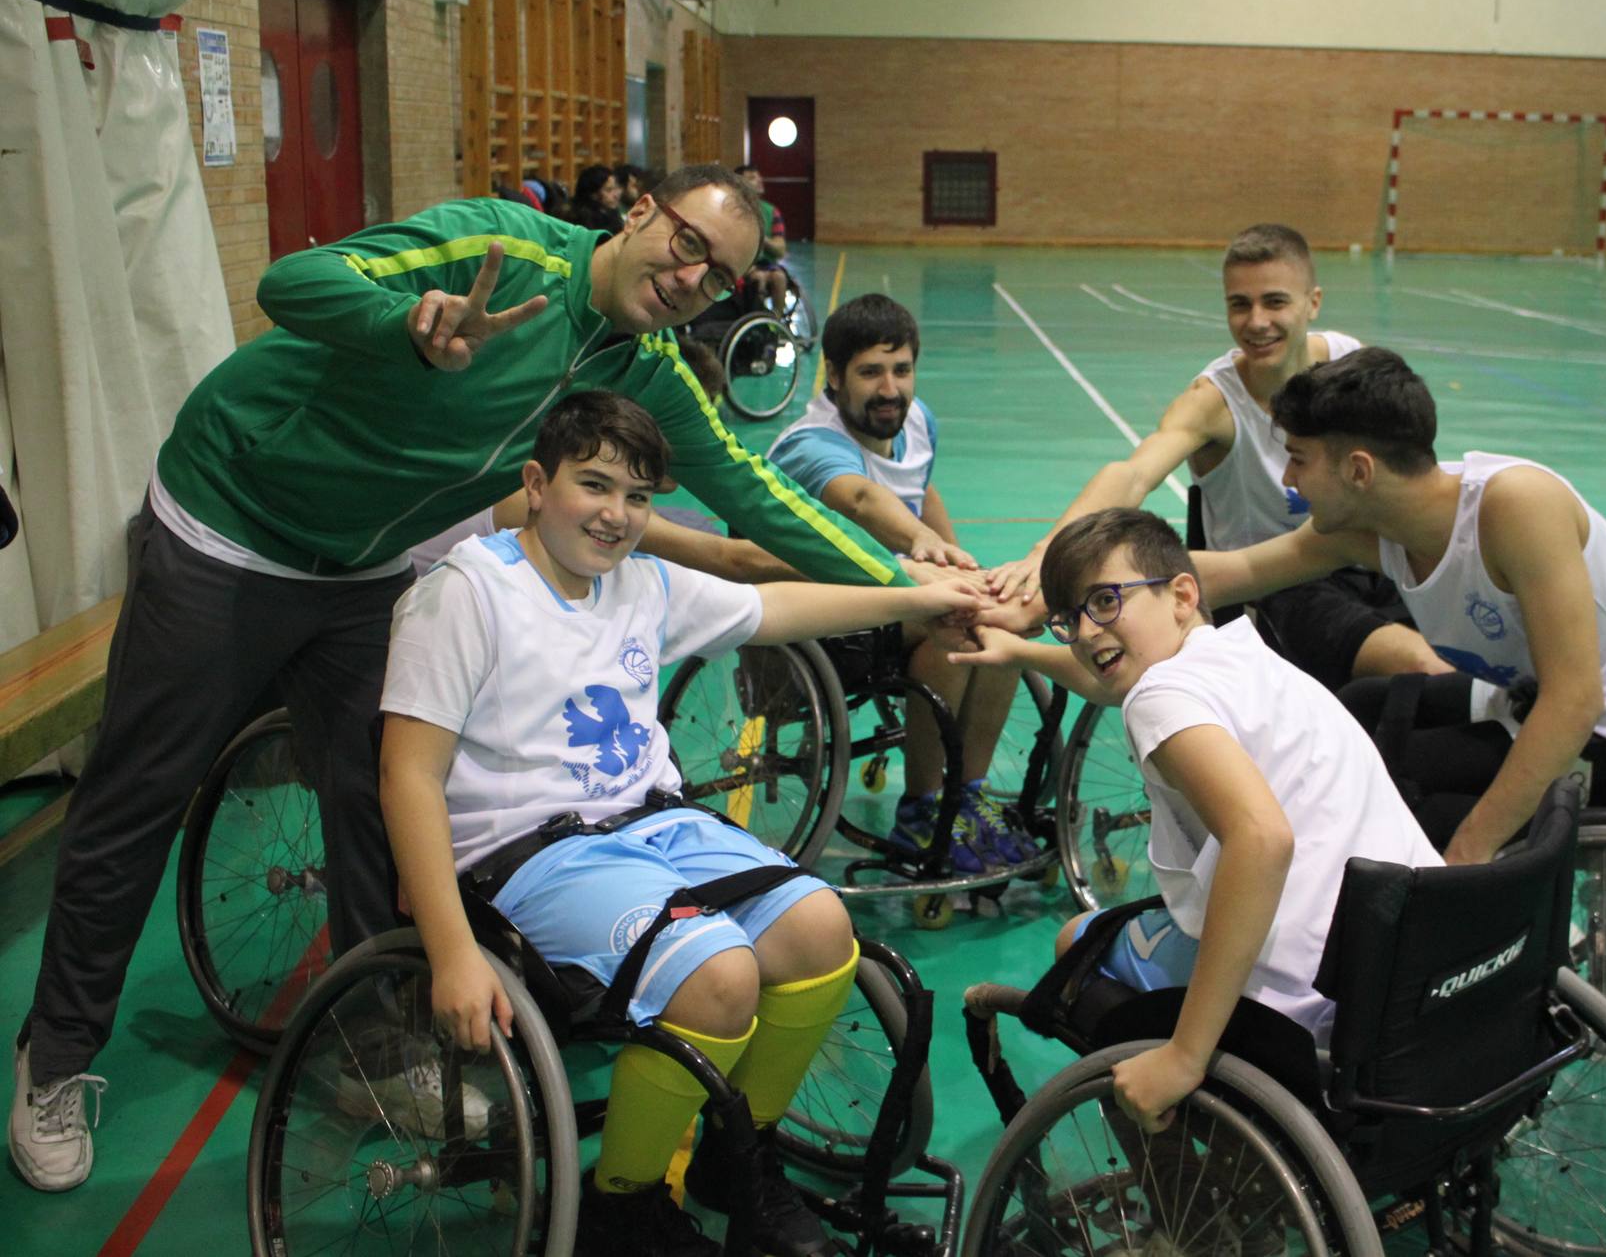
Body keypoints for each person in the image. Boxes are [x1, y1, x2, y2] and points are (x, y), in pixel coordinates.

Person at [10, 163, 922, 1193]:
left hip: (365, 564)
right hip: (230, 520)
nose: (689, 279)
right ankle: (56, 1056)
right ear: (639, 213)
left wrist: (911, 587)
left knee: (382, 798)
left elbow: (753, 494)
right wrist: (401, 324)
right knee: (138, 795)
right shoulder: (505, 249)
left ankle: (370, 1046)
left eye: (717, 278)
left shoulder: (648, 365)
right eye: (685, 244)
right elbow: (291, 283)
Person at [383, 391, 980, 1256]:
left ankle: (737, 1160)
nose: (616, 515)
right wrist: (449, 953)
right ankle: (620, 1204)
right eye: (594, 486)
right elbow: (406, 773)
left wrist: (915, 598)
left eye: (636, 497)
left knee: (820, 927)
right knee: (719, 974)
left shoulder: (640, 582)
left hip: (647, 825)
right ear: (536, 484)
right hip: (523, 850)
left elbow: (779, 610)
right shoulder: (466, 592)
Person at [948, 508, 1440, 1128]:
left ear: (1182, 594)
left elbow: (1261, 839)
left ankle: (1181, 1180)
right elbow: (1110, 678)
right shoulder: (1244, 655)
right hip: (1415, 965)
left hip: (1315, 995)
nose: (1086, 632)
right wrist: (1022, 652)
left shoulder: (1160, 697)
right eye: (1069, 619)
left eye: (1106, 601)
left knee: (1079, 944)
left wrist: (1185, 1055)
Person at [1189, 346, 1606, 866]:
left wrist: (1469, 849)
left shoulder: (1518, 508)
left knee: (1397, 789)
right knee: (1364, 706)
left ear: (1359, 471)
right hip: (1537, 698)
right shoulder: (1374, 527)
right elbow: (1243, 570)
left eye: (1298, 459)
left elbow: (1575, 701)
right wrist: (1141, 574)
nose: (1287, 479)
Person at [987, 224, 1444, 690]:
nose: (1256, 322)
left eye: (1275, 302)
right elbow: (1133, 474)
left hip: (1370, 561)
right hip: (1275, 588)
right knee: (1414, 665)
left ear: (1313, 302)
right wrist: (1045, 554)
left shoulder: (1348, 363)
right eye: (1239, 304)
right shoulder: (1212, 401)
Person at [766, 294, 1030, 872]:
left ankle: (967, 794)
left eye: (901, 370)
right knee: (955, 629)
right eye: (870, 373)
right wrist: (920, 543)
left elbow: (921, 489)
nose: (890, 389)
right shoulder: (811, 445)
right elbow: (863, 499)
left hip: (895, 603)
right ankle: (922, 808)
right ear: (834, 376)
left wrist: (964, 566)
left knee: (1001, 620)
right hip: (820, 620)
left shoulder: (917, 422)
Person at [735, 164, 790, 317]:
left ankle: (776, 320)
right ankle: (754, 317)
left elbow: (780, 249)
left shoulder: (771, 211)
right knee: (758, 278)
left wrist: (761, 238)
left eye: (759, 177)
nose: (759, 180)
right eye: (752, 178)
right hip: (742, 265)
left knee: (779, 277)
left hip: (766, 264)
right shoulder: (733, 211)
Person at [567, 164, 626, 234]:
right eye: (609, 190)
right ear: (592, 194)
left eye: (615, 188)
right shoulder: (581, 219)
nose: (616, 195)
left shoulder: (611, 212)